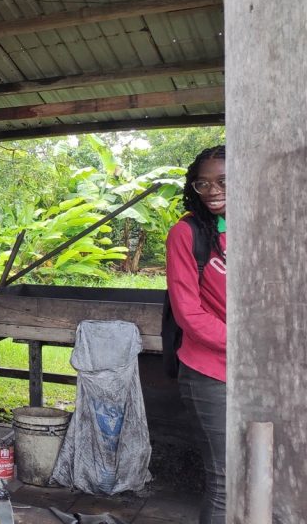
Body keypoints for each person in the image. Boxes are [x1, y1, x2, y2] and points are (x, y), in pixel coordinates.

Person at [166, 145, 227, 524]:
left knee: (266, 466)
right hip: (210, 371)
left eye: (223, 181)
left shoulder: (267, 222)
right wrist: (251, 345)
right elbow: (188, 313)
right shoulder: (186, 233)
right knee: (226, 480)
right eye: (202, 184)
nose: (212, 191)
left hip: (262, 371)